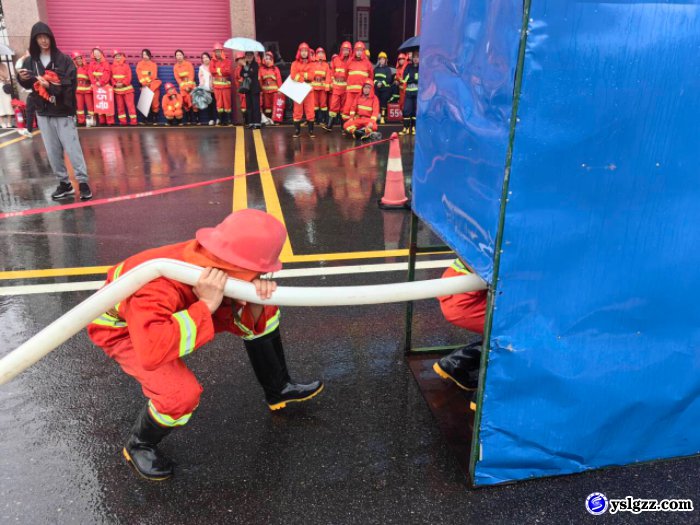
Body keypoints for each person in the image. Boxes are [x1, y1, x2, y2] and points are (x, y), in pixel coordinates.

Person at [87, 209, 324, 480]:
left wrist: (257, 300)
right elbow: (152, 351)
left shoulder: (214, 262)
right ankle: (139, 444)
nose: (262, 275)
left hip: (174, 314)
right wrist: (207, 306)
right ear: (238, 265)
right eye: (259, 271)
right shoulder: (158, 285)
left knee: (266, 311)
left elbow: (245, 320)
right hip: (126, 331)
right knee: (179, 395)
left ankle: (278, 389)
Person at [17, 22, 92, 200]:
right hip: (43, 112)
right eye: (39, 38)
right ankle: (64, 184)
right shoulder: (30, 61)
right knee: (52, 151)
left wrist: (50, 86)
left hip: (63, 111)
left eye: (46, 37)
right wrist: (22, 79)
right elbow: (29, 86)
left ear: (51, 38)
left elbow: (70, 85)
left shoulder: (64, 60)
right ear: (34, 40)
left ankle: (83, 182)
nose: (43, 41)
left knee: (72, 148)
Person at [433, 258, 488, 411]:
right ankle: (486, 394)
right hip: (469, 297)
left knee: (504, 330)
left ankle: (457, 362)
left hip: (454, 287)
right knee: (516, 332)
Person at [341, 41, 374, 126]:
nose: (359, 52)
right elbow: (345, 75)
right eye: (357, 50)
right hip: (350, 92)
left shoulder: (368, 64)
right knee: (347, 109)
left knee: (359, 110)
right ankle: (346, 127)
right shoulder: (349, 62)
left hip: (361, 93)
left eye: (360, 50)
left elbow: (370, 78)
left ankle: (358, 127)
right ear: (354, 51)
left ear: (363, 51)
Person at [323, 41, 352, 131]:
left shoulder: (351, 61)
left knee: (344, 107)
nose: (346, 52)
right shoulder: (336, 59)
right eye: (344, 50)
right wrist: (331, 82)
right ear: (341, 50)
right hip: (336, 86)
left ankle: (343, 127)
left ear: (350, 51)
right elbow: (331, 72)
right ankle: (329, 126)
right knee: (333, 106)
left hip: (345, 87)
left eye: (347, 50)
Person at [290, 42, 316, 138]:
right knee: (297, 111)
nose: (304, 53)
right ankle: (297, 130)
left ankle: (311, 131)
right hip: (298, 90)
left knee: (310, 110)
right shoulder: (294, 63)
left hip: (309, 90)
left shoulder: (312, 64)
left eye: (306, 51)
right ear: (299, 52)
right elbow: (293, 76)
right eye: (302, 51)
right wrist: (304, 76)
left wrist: (300, 74)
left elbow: (312, 76)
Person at [88, 47, 114, 126]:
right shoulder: (92, 63)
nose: (97, 54)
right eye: (95, 53)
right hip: (96, 87)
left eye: (98, 52)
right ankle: (102, 121)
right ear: (93, 54)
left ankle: (110, 122)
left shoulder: (105, 63)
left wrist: (101, 82)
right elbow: (90, 73)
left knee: (107, 104)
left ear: (101, 53)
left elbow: (107, 73)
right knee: (99, 104)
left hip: (104, 86)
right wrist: (94, 82)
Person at [111, 49, 137, 126]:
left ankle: (133, 121)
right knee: (120, 107)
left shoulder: (126, 66)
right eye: (115, 56)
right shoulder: (112, 67)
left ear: (122, 57)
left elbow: (129, 77)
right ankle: (123, 122)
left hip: (127, 90)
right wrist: (115, 84)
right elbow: (111, 77)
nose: (117, 57)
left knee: (130, 106)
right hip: (117, 90)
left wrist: (123, 83)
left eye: (119, 56)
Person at [136, 49, 161, 125]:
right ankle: (144, 120)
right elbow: (139, 75)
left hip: (153, 86)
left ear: (149, 55)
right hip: (144, 86)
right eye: (143, 54)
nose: (145, 56)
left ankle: (155, 120)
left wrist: (149, 83)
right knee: (145, 103)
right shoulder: (139, 64)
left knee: (155, 103)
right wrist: (144, 83)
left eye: (146, 54)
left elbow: (154, 75)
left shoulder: (153, 65)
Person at [210, 42, 232, 126]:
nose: (217, 53)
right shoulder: (212, 61)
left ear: (222, 51)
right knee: (219, 103)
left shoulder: (227, 60)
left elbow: (228, 71)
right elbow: (212, 70)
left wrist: (218, 70)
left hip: (226, 86)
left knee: (227, 103)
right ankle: (221, 120)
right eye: (216, 51)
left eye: (219, 51)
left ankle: (229, 120)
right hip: (217, 87)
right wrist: (221, 70)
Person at [173, 49, 197, 125]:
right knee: (185, 103)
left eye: (180, 55)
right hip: (183, 88)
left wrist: (189, 86)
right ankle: (189, 119)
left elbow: (191, 75)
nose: (179, 57)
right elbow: (178, 79)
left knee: (194, 102)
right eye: (177, 55)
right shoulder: (175, 67)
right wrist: (184, 87)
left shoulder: (188, 64)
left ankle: (197, 119)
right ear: (175, 57)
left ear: (183, 55)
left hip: (191, 86)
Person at [70, 51, 93, 126]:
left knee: (90, 107)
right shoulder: (72, 69)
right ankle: (81, 121)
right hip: (78, 91)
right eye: (77, 59)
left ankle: (90, 122)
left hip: (87, 89)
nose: (79, 60)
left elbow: (91, 77)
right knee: (79, 108)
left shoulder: (87, 67)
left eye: (80, 58)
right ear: (74, 60)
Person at [399, 51, 419, 136]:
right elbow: (405, 78)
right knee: (406, 109)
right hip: (409, 92)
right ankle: (406, 128)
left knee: (415, 110)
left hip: (417, 92)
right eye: (414, 57)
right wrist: (414, 78)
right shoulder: (408, 66)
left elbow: (421, 78)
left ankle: (414, 127)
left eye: (417, 57)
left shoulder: (421, 67)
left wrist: (413, 78)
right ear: (412, 58)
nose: (415, 59)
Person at [239, 51, 261, 129]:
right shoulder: (245, 64)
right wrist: (246, 71)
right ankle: (251, 123)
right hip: (247, 88)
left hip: (255, 88)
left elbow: (252, 73)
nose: (249, 57)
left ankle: (257, 123)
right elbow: (241, 73)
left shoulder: (255, 64)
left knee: (255, 106)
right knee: (249, 106)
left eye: (250, 55)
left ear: (253, 56)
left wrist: (246, 69)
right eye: (247, 55)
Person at [259, 51, 282, 121]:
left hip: (275, 92)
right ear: (264, 59)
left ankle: (275, 120)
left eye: (269, 58)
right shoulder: (261, 69)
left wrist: (280, 90)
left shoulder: (276, 69)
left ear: (272, 59)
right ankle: (268, 120)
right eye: (266, 58)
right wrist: (260, 91)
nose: (268, 60)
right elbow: (259, 81)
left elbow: (279, 80)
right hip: (265, 92)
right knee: (267, 107)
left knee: (275, 105)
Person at [311, 47, 331, 124]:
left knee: (323, 104)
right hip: (314, 86)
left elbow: (328, 76)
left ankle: (324, 120)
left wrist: (327, 86)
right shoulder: (313, 64)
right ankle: (316, 120)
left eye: (322, 53)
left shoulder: (326, 65)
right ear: (316, 54)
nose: (320, 54)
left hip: (322, 87)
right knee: (315, 104)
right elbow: (310, 75)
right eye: (319, 53)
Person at [373, 52, 393, 124]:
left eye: (383, 59)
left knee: (383, 103)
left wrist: (381, 83)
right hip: (377, 89)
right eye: (380, 59)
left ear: (385, 60)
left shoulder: (387, 69)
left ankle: (382, 117)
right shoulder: (376, 69)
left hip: (384, 89)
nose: (382, 61)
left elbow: (389, 79)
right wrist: (376, 83)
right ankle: (376, 116)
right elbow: (373, 78)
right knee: (376, 102)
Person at [197, 52, 216, 125]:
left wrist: (213, 85)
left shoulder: (213, 66)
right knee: (209, 104)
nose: (205, 59)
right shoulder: (201, 68)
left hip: (215, 88)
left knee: (216, 104)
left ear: (209, 58)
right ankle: (211, 119)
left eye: (206, 57)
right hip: (206, 89)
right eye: (203, 58)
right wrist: (202, 87)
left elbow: (215, 76)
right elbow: (200, 78)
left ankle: (217, 118)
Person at [0, 61, 13, 128]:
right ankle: (2, 122)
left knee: (8, 103)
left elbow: (6, 76)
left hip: (4, 86)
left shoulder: (3, 65)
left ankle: (9, 122)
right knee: (0, 105)